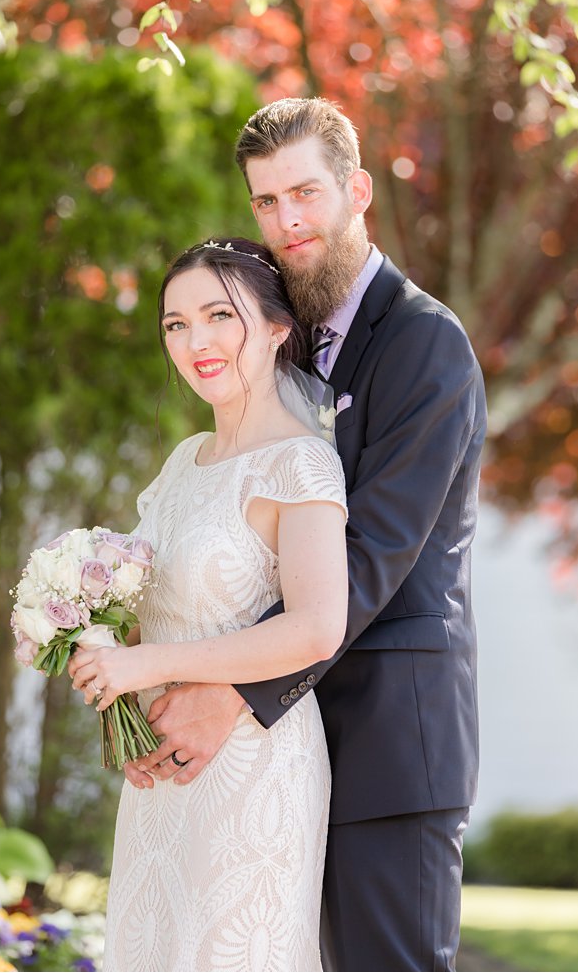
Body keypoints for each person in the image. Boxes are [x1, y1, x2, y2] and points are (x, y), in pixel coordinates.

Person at [125, 98, 487, 971]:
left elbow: (374, 555)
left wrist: (233, 695)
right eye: (265, 202)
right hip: (273, 760)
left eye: (305, 194)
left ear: (357, 190)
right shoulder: (279, 336)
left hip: (387, 743)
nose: (286, 221)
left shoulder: (424, 345)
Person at [70, 237, 348, 970]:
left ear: (278, 327)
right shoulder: (182, 460)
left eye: (220, 315)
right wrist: (111, 679)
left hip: (256, 765)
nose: (197, 341)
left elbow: (318, 626)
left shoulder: (303, 462)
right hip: (164, 770)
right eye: (175, 323)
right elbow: (144, 604)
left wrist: (146, 662)